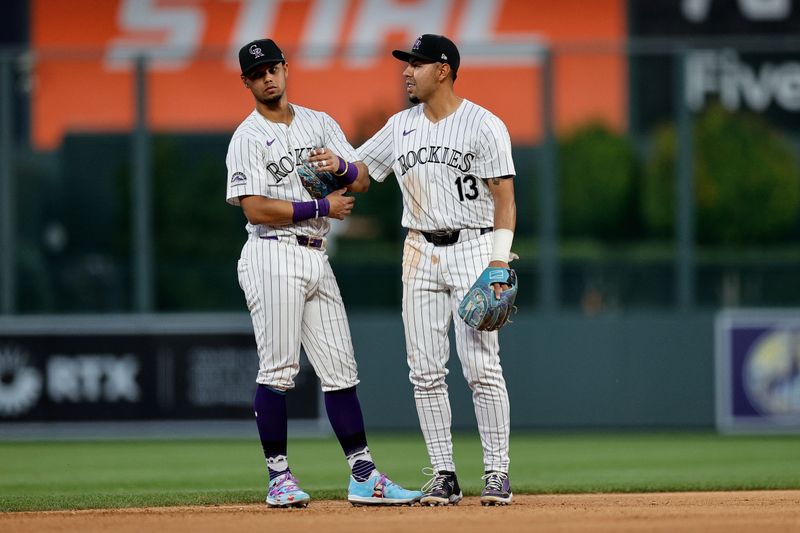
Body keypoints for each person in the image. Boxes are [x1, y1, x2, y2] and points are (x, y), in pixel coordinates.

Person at [225, 38, 423, 508]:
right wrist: (320, 203)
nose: (267, 77)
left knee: (341, 371)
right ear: (247, 82)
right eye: (257, 73)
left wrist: (340, 164)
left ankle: (363, 474)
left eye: (273, 68)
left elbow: (359, 180)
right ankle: (278, 478)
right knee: (278, 370)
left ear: (286, 69)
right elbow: (253, 207)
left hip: (316, 253)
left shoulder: (319, 123)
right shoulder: (247, 138)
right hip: (271, 253)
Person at [356, 34, 517, 506]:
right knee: (424, 371)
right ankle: (444, 473)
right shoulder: (399, 126)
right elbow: (363, 173)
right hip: (418, 251)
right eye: (406, 64)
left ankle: (497, 472)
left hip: (473, 246)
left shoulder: (484, 125)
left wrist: (499, 262)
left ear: (443, 70)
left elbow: (504, 197)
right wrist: (337, 169)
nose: (406, 71)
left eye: (416, 64)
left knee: (480, 367)